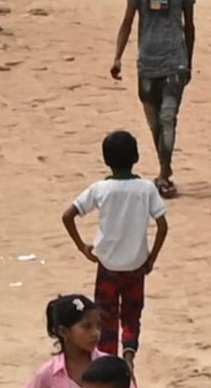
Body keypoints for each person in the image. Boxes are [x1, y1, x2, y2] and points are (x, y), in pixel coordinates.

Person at [109, 0, 198, 205]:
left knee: (168, 116)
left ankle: (164, 171)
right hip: (147, 62)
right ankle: (164, 160)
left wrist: (188, 61)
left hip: (175, 61)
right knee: (154, 121)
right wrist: (117, 56)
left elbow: (189, 27)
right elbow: (128, 22)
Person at [69, 136, 168, 367]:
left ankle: (109, 363)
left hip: (108, 265)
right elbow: (163, 226)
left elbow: (68, 216)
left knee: (105, 317)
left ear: (105, 160)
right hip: (136, 265)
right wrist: (151, 257)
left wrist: (82, 247)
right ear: (136, 157)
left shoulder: (100, 189)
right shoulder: (146, 188)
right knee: (132, 316)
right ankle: (129, 355)